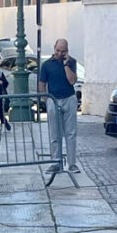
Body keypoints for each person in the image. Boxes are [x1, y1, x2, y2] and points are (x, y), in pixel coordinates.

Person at [38, 39, 78, 174]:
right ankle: (56, 162)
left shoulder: (71, 62)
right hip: (53, 100)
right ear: (54, 48)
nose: (60, 53)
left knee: (71, 133)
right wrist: (45, 99)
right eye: (58, 50)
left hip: (69, 98)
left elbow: (72, 80)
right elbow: (42, 83)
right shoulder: (47, 65)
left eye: (63, 51)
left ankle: (72, 164)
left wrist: (66, 65)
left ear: (67, 50)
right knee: (54, 133)